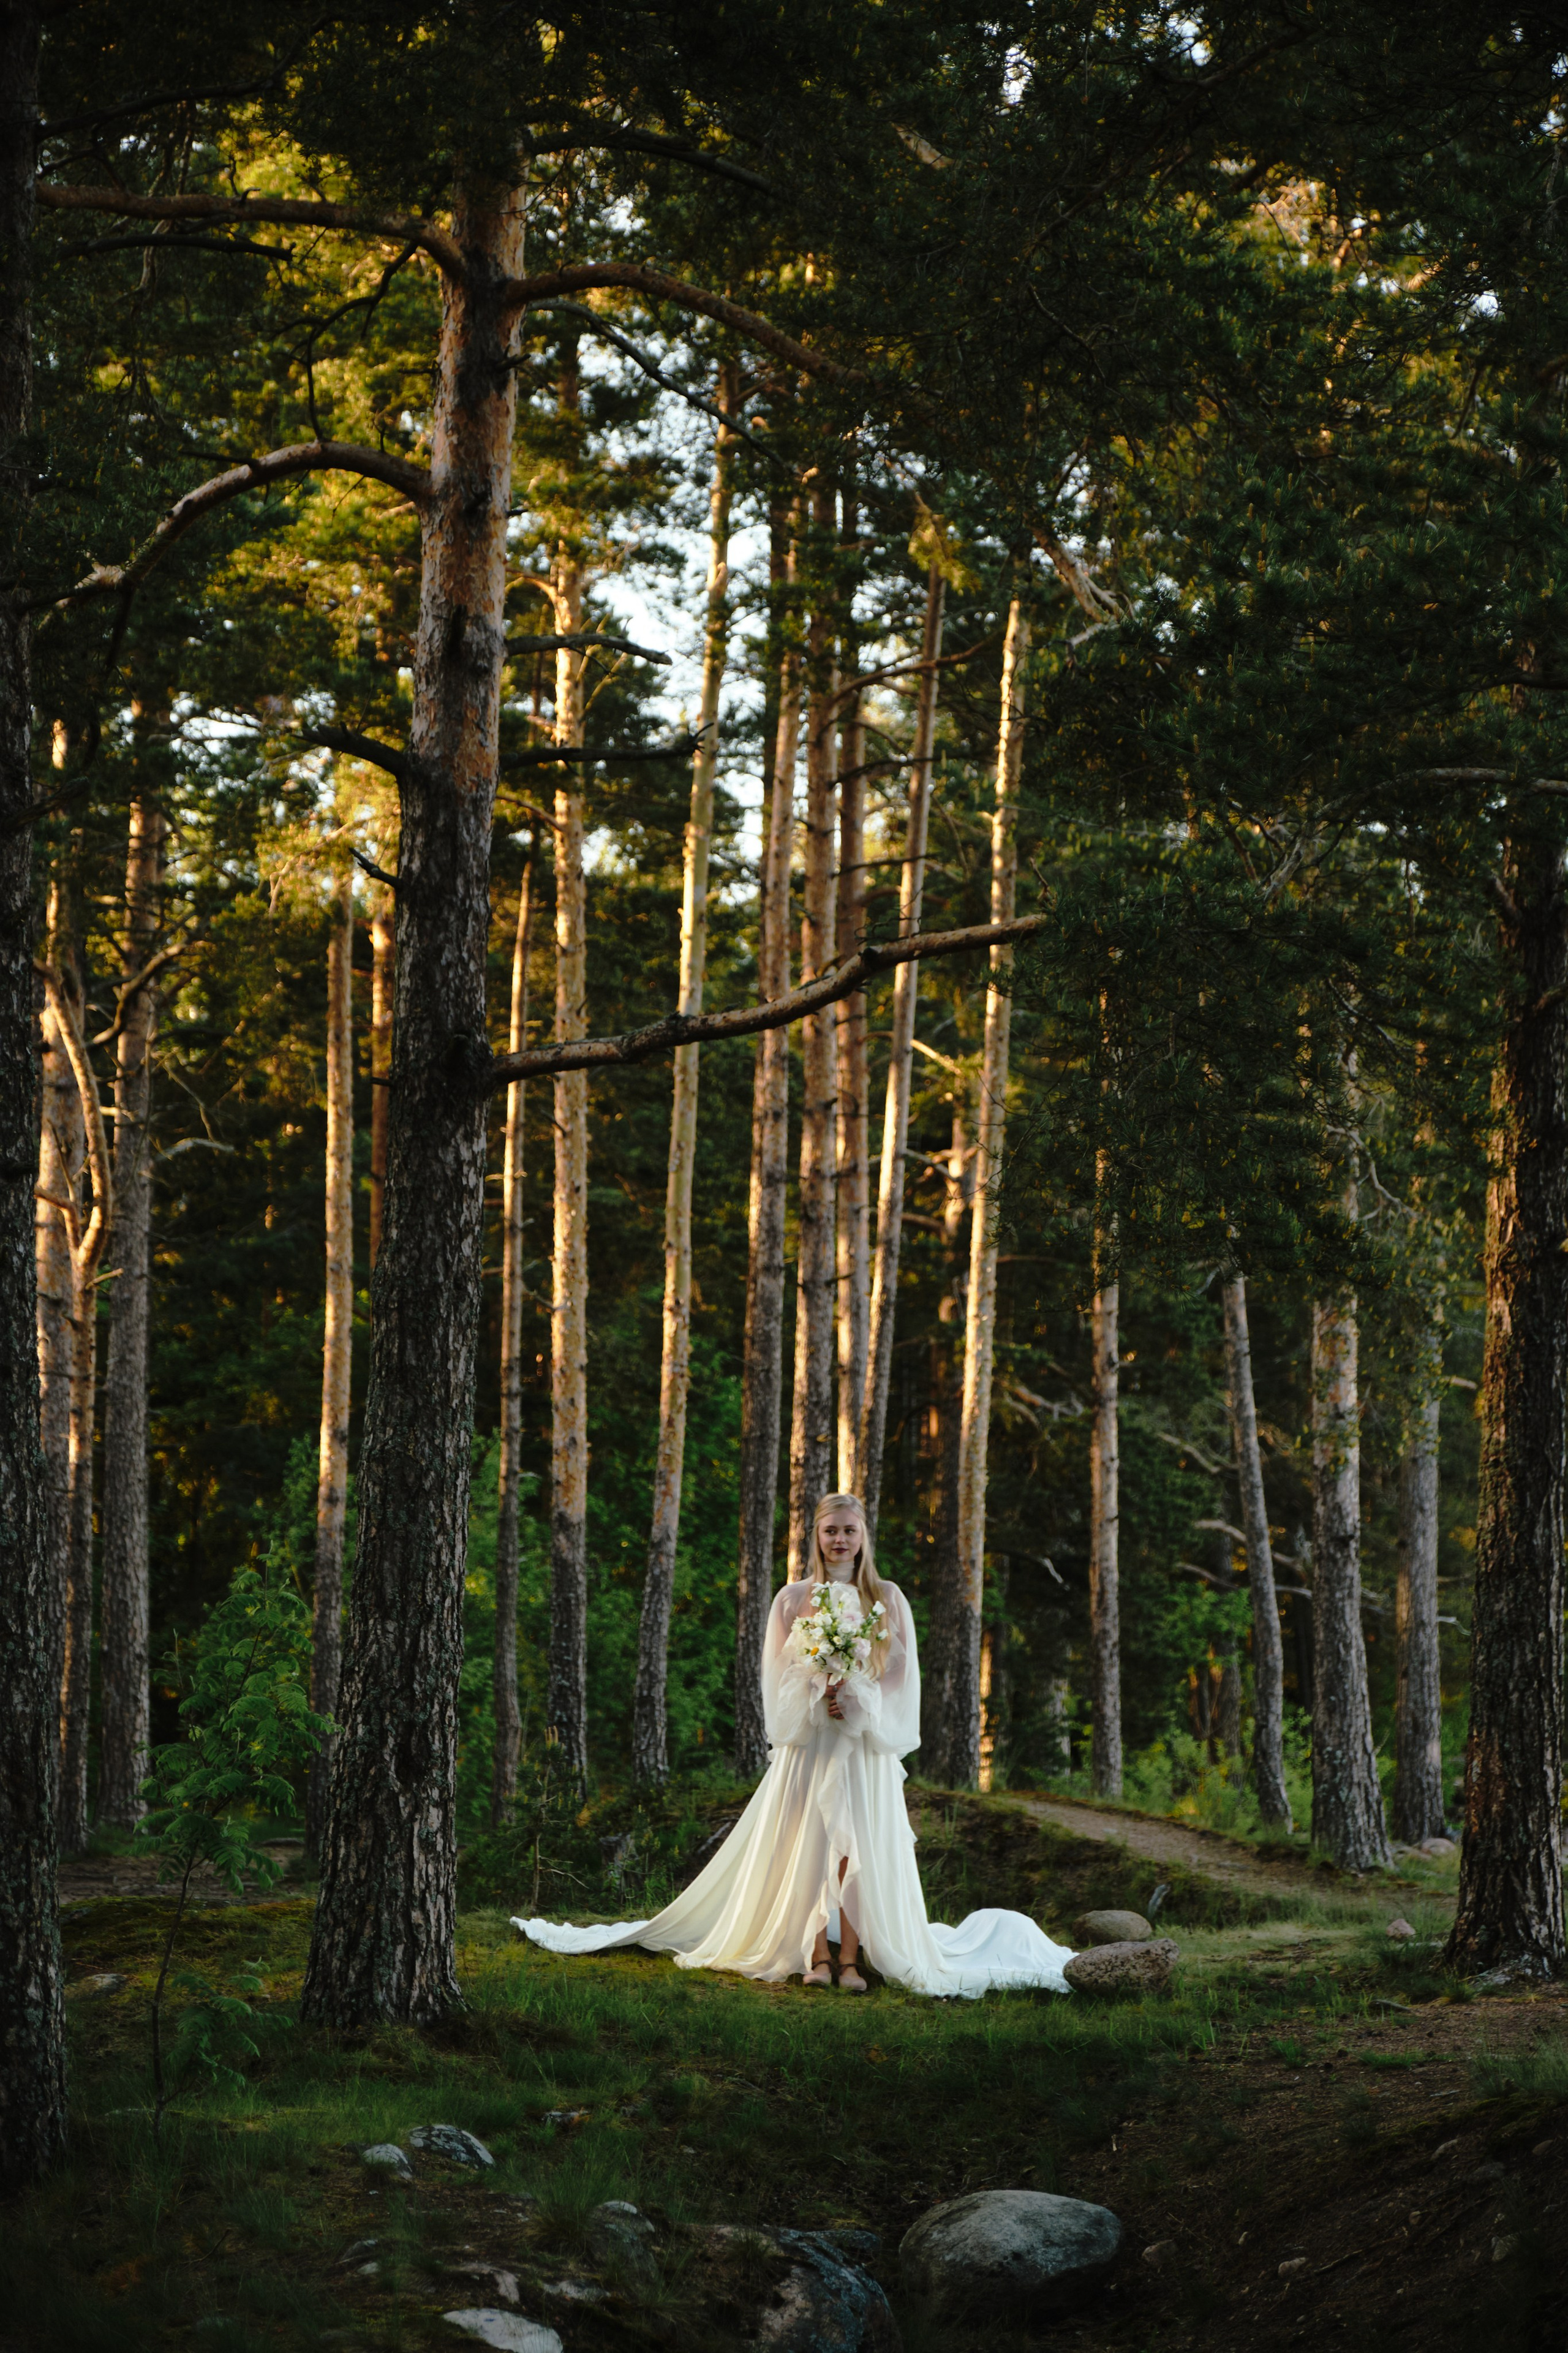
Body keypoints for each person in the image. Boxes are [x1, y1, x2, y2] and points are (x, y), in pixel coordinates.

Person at [514, 1492, 1075, 1998]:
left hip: (861, 1748)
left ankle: (852, 1958)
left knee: (858, 1848)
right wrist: (818, 1691)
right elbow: (776, 1678)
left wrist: (857, 1698)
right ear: (817, 1536)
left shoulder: (888, 1597)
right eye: (831, 1530)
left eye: (850, 1530)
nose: (840, 1539)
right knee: (807, 1847)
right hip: (810, 1745)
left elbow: (901, 1676)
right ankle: (815, 1953)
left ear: (863, 1537)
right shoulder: (793, 1597)